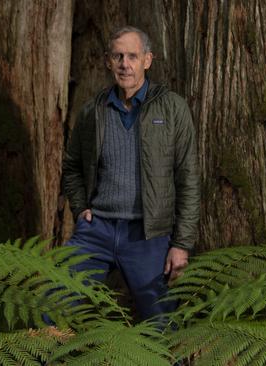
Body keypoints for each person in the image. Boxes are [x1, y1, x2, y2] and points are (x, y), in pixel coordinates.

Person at [62, 26, 200, 321]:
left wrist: (181, 244)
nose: (125, 64)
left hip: (147, 235)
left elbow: (188, 179)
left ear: (147, 60)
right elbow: (72, 165)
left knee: (162, 326)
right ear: (108, 61)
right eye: (118, 56)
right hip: (96, 230)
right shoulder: (93, 111)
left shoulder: (173, 108)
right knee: (56, 307)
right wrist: (79, 208)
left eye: (132, 56)